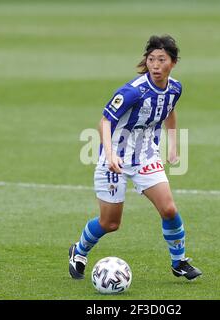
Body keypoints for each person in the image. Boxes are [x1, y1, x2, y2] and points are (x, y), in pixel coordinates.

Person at [69, 35, 202, 281]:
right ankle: (78, 251)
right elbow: (105, 121)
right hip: (115, 160)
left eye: (161, 59)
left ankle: (179, 262)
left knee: (169, 209)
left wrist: (172, 146)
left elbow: (170, 112)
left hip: (146, 157)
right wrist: (109, 156)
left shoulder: (175, 88)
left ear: (172, 62)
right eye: (151, 59)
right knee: (110, 223)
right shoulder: (132, 91)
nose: (155, 65)